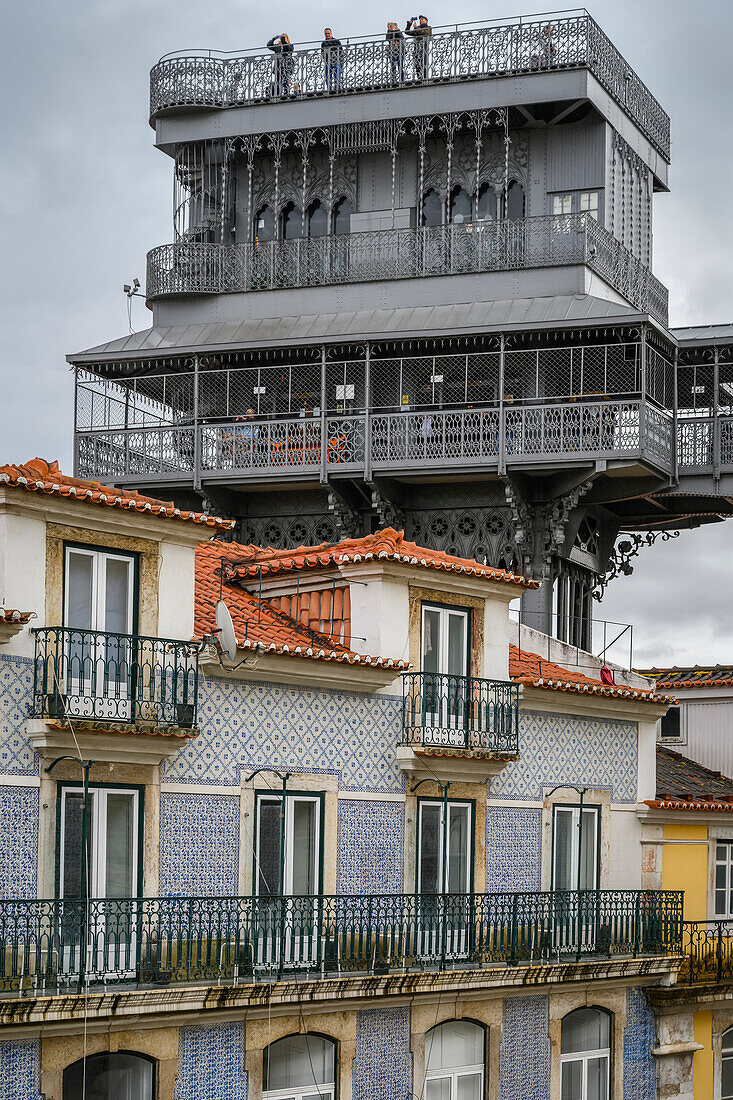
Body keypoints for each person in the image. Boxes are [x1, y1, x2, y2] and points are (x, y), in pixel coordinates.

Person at [267, 33, 295, 98]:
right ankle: (277, 95)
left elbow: (288, 48)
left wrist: (283, 41)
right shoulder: (277, 46)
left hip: (286, 67)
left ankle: (286, 94)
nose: (283, 38)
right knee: (277, 82)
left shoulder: (290, 45)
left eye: (285, 37)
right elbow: (269, 45)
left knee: (286, 82)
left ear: (287, 38)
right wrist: (273, 38)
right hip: (278, 66)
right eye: (282, 37)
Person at [405, 15, 432, 82]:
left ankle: (425, 78)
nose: (421, 20)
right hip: (416, 48)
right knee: (417, 64)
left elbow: (426, 33)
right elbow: (407, 32)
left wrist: (416, 28)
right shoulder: (417, 28)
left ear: (426, 21)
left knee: (423, 64)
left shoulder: (428, 27)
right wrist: (410, 24)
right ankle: (419, 78)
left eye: (422, 19)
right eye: (420, 19)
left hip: (423, 48)